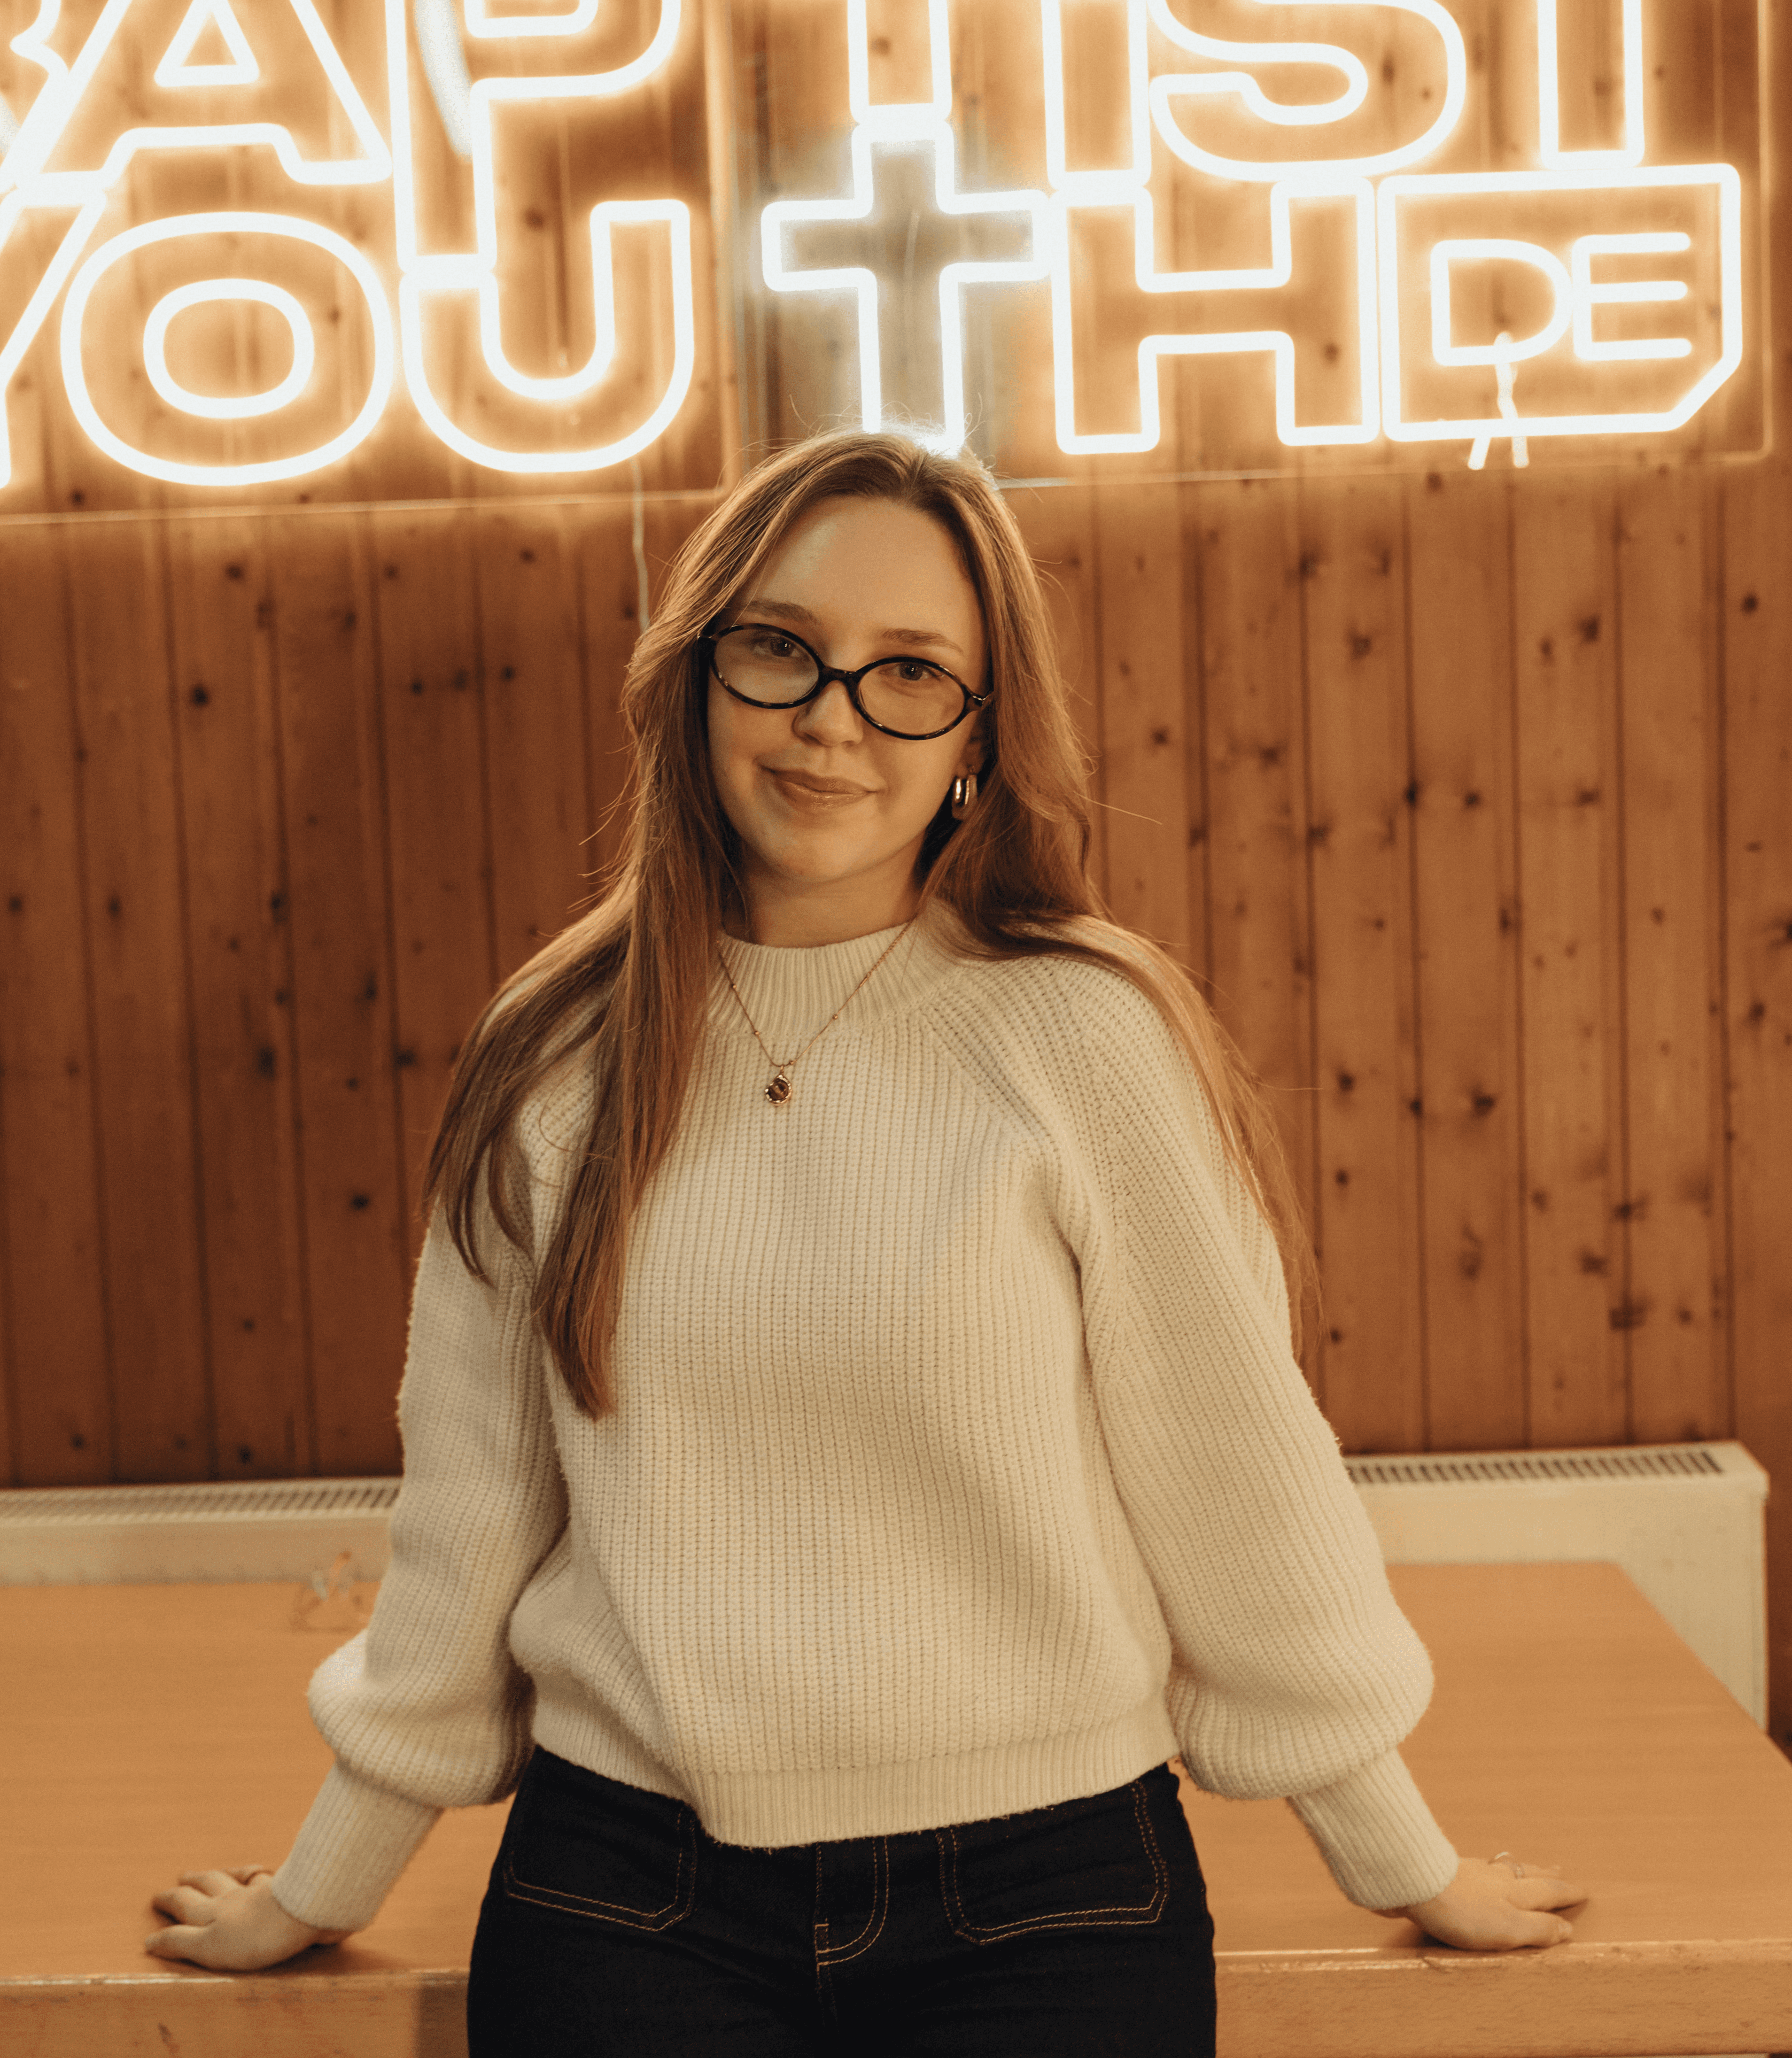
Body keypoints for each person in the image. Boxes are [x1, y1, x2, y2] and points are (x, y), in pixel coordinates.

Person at [142, 429, 1587, 2051]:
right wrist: (325, 1880)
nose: (833, 718)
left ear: (980, 733)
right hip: (626, 1891)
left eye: (912, 673)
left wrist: (1400, 1856)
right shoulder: (556, 1053)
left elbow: (1234, 1475)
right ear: (693, 678)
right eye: (781, 651)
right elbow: (471, 1514)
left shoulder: (1082, 1033)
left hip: (1048, 1898)